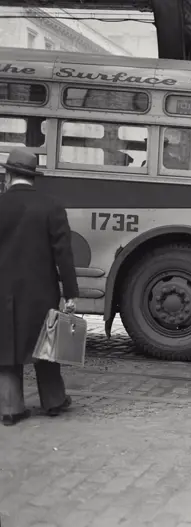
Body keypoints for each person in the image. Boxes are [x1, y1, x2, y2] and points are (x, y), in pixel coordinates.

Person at [0, 148, 79, 426]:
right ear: (34, 178)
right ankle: (54, 401)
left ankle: (11, 408)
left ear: (8, 175)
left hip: (4, 292)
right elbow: (64, 255)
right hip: (41, 290)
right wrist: (70, 293)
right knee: (46, 344)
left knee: (6, 347)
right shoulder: (51, 206)